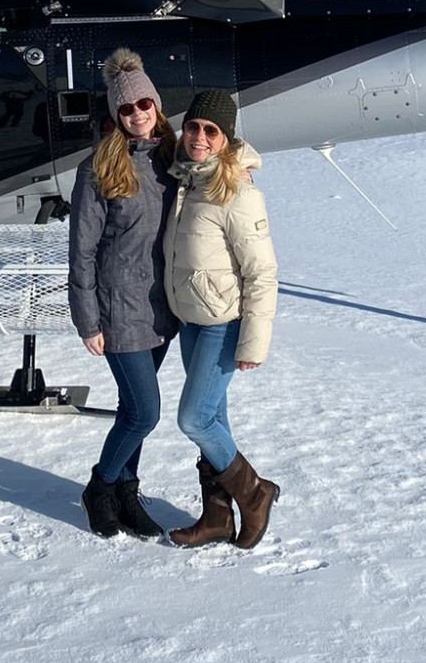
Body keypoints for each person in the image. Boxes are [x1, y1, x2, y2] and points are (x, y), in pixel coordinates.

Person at [68, 48, 180, 539]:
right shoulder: (97, 169)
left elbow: (218, 164)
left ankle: (125, 493)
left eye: (144, 104)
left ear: (156, 105)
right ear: (116, 115)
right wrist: (87, 320)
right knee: (145, 413)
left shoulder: (172, 160)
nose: (137, 114)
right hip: (117, 311)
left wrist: (238, 172)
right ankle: (100, 487)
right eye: (127, 108)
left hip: (161, 310)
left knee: (132, 409)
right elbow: (82, 251)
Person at [164, 87, 281, 550]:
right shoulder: (186, 179)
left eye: (211, 131)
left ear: (226, 139)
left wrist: (253, 342)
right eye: (193, 127)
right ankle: (216, 517)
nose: (199, 137)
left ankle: (255, 494)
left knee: (194, 419)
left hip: (222, 323)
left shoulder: (239, 192)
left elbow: (262, 273)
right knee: (214, 420)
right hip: (190, 320)